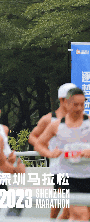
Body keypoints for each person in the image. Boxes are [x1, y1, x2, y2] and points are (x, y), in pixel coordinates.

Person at [35, 86, 90, 221]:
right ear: (66, 103)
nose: (79, 108)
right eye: (75, 104)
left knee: (80, 215)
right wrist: (50, 153)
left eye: (82, 104)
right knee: (81, 215)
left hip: (88, 175)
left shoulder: (89, 122)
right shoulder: (56, 124)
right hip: (68, 177)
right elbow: (38, 143)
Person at [29, 83, 72, 220]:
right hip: (59, 167)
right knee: (65, 205)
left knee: (70, 207)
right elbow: (32, 137)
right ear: (62, 100)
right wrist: (46, 149)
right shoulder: (49, 119)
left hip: (79, 167)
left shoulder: (82, 119)